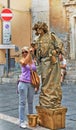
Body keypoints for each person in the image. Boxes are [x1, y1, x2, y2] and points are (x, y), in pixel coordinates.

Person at [32, 21, 64, 109]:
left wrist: (56, 51)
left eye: (40, 28)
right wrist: (34, 50)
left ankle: (53, 98)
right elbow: (35, 54)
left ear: (43, 28)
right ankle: (46, 98)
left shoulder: (51, 36)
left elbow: (60, 44)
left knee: (53, 80)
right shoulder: (37, 39)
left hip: (52, 61)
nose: (39, 31)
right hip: (43, 62)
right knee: (45, 79)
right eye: (37, 29)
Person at [18, 46, 38, 128]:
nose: (24, 53)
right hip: (23, 83)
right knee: (22, 103)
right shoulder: (22, 60)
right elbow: (25, 63)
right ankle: (21, 122)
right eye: (22, 52)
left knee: (30, 102)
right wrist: (29, 53)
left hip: (31, 84)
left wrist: (37, 85)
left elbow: (35, 72)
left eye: (25, 51)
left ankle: (31, 120)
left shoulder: (33, 61)